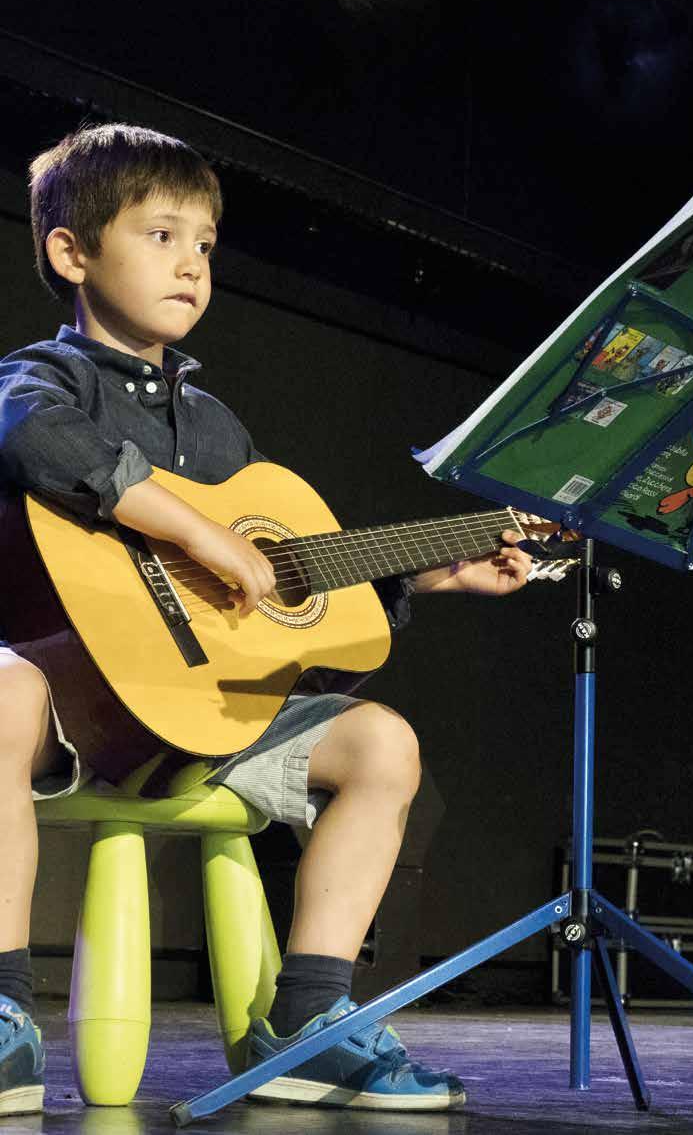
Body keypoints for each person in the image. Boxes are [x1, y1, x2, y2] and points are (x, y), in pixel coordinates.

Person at [0, 123, 533, 1116]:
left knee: (383, 744)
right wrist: (203, 536)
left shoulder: (216, 429)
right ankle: (0, 1018)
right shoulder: (45, 377)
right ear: (71, 252)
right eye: (161, 235)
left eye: (204, 244)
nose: (192, 264)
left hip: (196, 717)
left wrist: (429, 578)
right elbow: (34, 441)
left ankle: (308, 1021)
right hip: (67, 713)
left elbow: (276, 607)